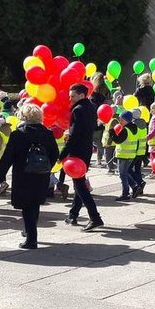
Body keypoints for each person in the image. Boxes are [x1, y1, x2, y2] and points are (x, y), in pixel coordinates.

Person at [0, 103, 59, 249]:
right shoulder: (47, 133)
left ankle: (31, 238)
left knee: (27, 206)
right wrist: (46, 166)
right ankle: (30, 230)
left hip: (23, 175)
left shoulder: (18, 134)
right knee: (34, 204)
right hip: (41, 174)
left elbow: (8, 157)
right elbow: (55, 153)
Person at [63, 84, 104, 231]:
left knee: (80, 186)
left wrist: (62, 154)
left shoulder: (78, 110)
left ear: (82, 95)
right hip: (86, 150)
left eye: (73, 96)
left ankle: (95, 217)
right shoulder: (91, 107)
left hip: (77, 152)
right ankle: (73, 214)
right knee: (79, 183)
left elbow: (73, 136)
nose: (70, 98)